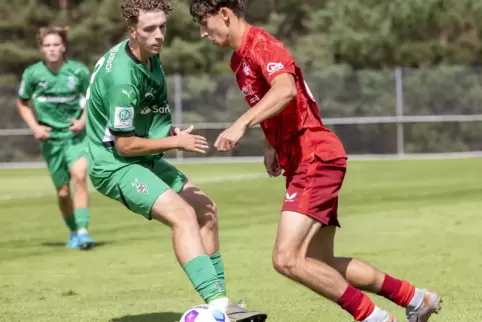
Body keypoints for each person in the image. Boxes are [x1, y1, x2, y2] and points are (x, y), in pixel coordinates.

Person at [189, 1, 442, 321]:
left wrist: (241, 124)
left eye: (203, 22)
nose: (201, 32)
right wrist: (271, 142)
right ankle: (417, 298)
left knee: (286, 259)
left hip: (315, 156)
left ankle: (375, 318)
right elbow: (276, 103)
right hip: (303, 159)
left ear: (224, 14)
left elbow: (285, 91)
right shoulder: (238, 60)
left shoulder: (263, 45)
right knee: (318, 262)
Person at [85, 0, 267, 321]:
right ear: (132, 31)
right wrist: (176, 141)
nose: (158, 35)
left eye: (162, 27)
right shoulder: (123, 79)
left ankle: (221, 306)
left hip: (143, 156)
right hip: (114, 164)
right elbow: (124, 144)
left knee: (206, 211)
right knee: (182, 215)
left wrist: (168, 132)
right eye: (149, 29)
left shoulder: (148, 56)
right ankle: (217, 304)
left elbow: (141, 119)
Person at [17, 26, 95, 250]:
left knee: (79, 175)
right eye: (47, 45)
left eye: (56, 45)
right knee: (62, 192)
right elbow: (22, 103)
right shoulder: (33, 74)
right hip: (50, 139)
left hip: (75, 136)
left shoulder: (78, 72)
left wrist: (83, 121)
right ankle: (73, 232)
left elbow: (93, 99)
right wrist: (35, 127)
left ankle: (83, 231)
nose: (52, 49)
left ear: (63, 47)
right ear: (42, 49)